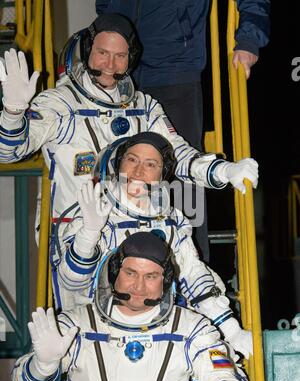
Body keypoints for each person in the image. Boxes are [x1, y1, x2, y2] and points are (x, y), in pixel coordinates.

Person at [0, 13, 258, 245]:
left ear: (130, 58)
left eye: (120, 56)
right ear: (88, 50)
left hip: (136, 234)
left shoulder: (144, 107)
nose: (110, 65)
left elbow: (176, 155)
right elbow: (9, 152)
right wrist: (12, 113)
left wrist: (224, 170)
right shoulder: (59, 103)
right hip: (76, 234)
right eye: (102, 53)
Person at [95, 1, 271, 260]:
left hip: (173, 72)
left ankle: (193, 282)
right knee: (118, 175)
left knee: (182, 181)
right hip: (119, 72)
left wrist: (248, 39)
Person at [55, 132, 252, 359]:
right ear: (118, 165)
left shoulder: (171, 219)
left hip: (160, 329)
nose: (139, 172)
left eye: (151, 164)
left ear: (162, 174)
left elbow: (192, 272)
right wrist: (89, 234)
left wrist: (231, 330)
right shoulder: (92, 210)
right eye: (132, 160)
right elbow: (70, 281)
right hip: (99, 332)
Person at [12, 232, 251, 381]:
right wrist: (43, 366)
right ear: (115, 273)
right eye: (130, 273)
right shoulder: (75, 325)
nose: (139, 286)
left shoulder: (192, 328)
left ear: (166, 281)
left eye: (151, 276)